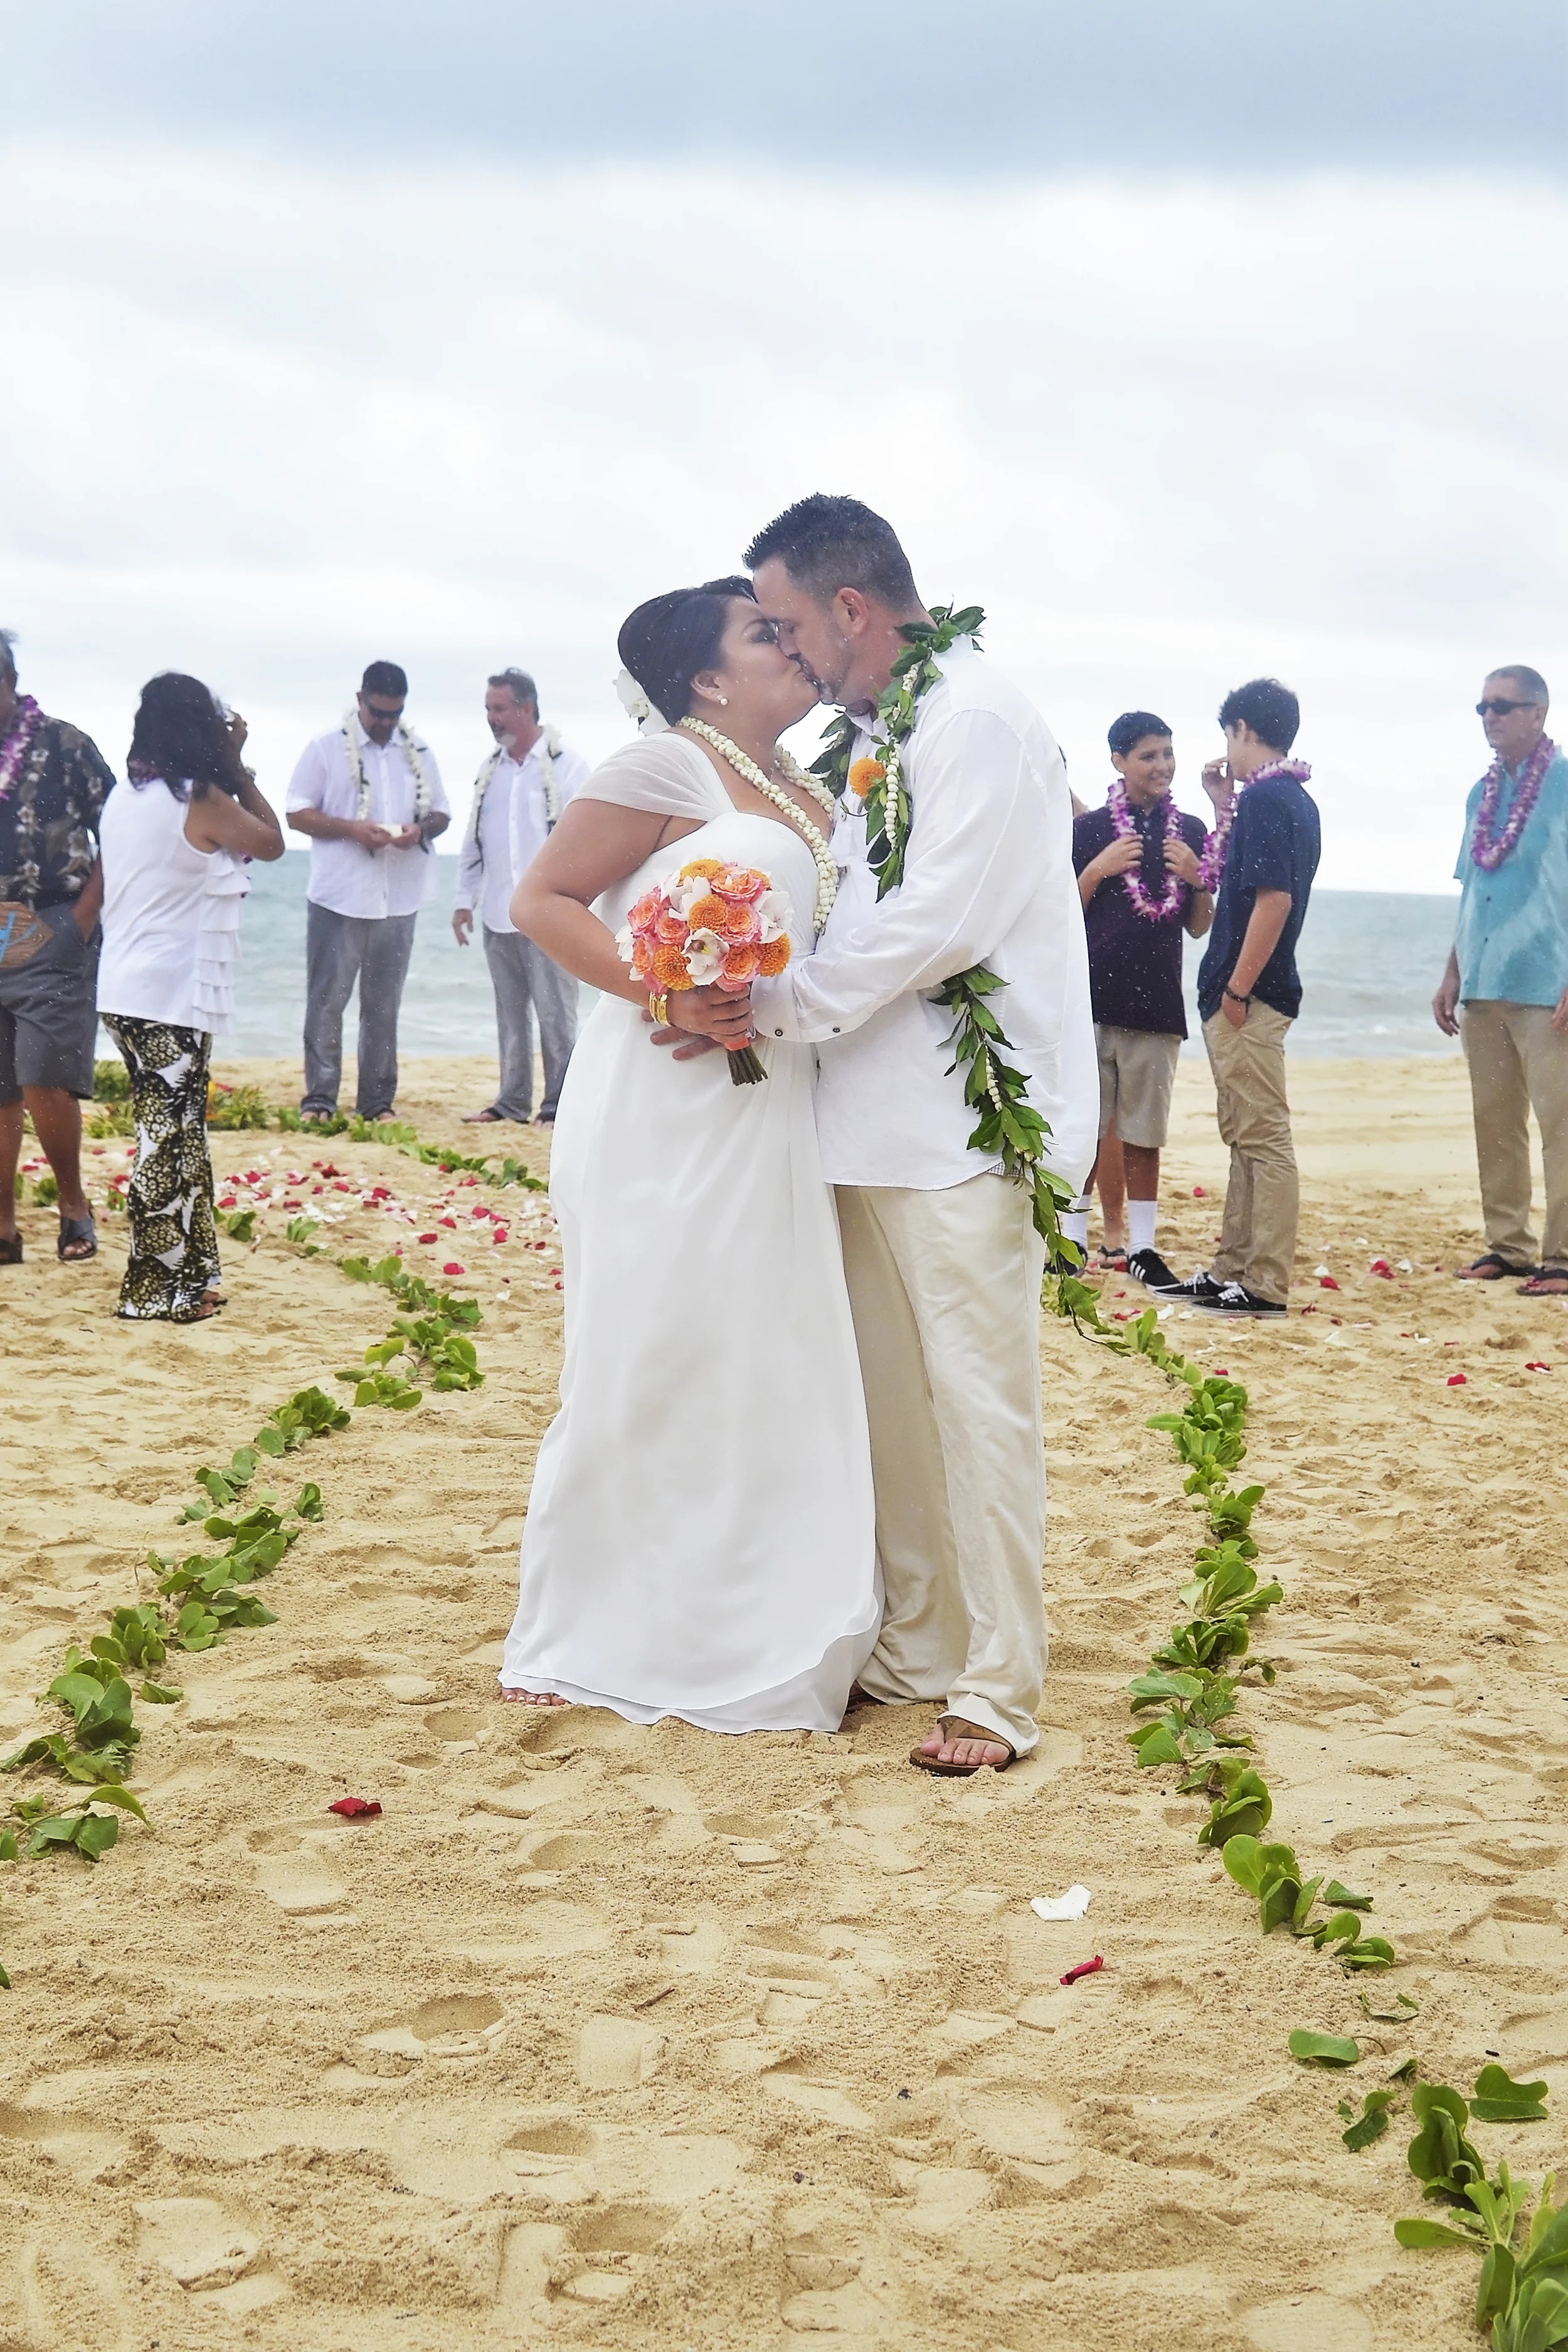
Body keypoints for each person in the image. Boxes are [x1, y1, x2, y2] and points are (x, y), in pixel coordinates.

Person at [741, 494, 1096, 1777]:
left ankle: (999, 1686)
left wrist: (776, 1002)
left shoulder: (978, 719)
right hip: (861, 1123)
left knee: (978, 1408)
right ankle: (918, 1642)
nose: (783, 653)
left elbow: (939, 920)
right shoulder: (868, 738)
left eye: (787, 626)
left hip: (962, 1130)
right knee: (890, 1410)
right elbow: (848, 908)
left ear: (850, 609)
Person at [495, 578, 879, 1731]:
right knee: (660, 1339)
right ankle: (597, 1623)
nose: (794, 646)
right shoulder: (667, 765)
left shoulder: (813, 789)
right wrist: (667, 981)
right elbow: (541, 900)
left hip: (776, 1104)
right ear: (706, 679)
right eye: (765, 634)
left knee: (765, 1343)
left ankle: (764, 1607)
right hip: (669, 1101)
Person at [97, 674, 284, 1320]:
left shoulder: (127, 795)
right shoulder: (198, 798)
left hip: (125, 990)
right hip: (165, 996)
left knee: (180, 1135)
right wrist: (237, 765)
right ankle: (151, 1294)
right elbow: (270, 840)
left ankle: (192, 1276)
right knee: (164, 1141)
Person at [1170, 678, 1320, 1320]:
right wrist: (1220, 800)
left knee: (1262, 1137)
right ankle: (1234, 1266)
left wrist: (1236, 987)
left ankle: (1263, 1281)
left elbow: (1274, 899)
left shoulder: (1271, 802)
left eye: (1226, 736)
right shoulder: (1278, 799)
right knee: (1244, 1136)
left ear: (1240, 730)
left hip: (1250, 995)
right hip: (1248, 993)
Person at [1064, 711, 1212, 1289]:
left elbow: (1200, 927)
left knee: (1144, 1134)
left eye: (1169, 754)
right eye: (1149, 755)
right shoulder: (1090, 831)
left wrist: (1198, 877)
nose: (1164, 766)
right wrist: (1097, 872)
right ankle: (1073, 1239)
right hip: (1092, 1004)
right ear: (1119, 761)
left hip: (1156, 1007)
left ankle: (1144, 1248)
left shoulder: (1191, 832)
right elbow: (1062, 918)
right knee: (1084, 1130)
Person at [1434, 665, 1568, 1295]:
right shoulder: (1477, 794)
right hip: (1483, 982)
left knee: (1560, 1123)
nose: (1489, 717)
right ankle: (1507, 1246)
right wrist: (1450, 973)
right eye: (1482, 707)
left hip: (1548, 983)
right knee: (1495, 1121)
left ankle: (1562, 1256)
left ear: (1537, 713)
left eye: (1502, 707)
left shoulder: (1565, 785)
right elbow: (1472, 890)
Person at [286, 661, 450, 1123]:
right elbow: (296, 813)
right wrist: (351, 830)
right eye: (378, 712)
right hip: (340, 895)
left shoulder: (418, 751)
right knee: (327, 1000)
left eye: (393, 715)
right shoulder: (325, 748)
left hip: (398, 898)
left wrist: (416, 831)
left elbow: (442, 814)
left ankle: (377, 1103)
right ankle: (319, 1099)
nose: (384, 723)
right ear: (361, 700)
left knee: (383, 1006)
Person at [0, 629, 116, 1267]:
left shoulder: (67, 747)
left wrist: (81, 919)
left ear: (9, 684)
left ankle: (74, 1206)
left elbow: (117, 834)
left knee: (44, 1078)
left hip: (49, 924)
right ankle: (3, 1228)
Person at [453, 669, 590, 1125]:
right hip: (498, 913)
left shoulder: (568, 767)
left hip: (550, 917)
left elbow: (585, 843)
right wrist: (462, 900)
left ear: (527, 708)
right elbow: (475, 842)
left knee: (556, 1016)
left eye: (500, 709)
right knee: (510, 1017)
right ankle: (511, 1103)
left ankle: (560, 1106)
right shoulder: (488, 772)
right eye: (488, 709)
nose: (492, 719)